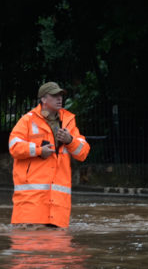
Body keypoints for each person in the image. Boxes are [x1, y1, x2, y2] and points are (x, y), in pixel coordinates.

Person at [8, 81, 90, 228]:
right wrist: (39, 151)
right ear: (43, 99)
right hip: (31, 208)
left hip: (58, 210)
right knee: (28, 248)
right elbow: (14, 147)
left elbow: (83, 152)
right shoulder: (27, 120)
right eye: (54, 95)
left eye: (61, 95)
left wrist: (70, 140)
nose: (59, 99)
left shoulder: (68, 122)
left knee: (57, 248)